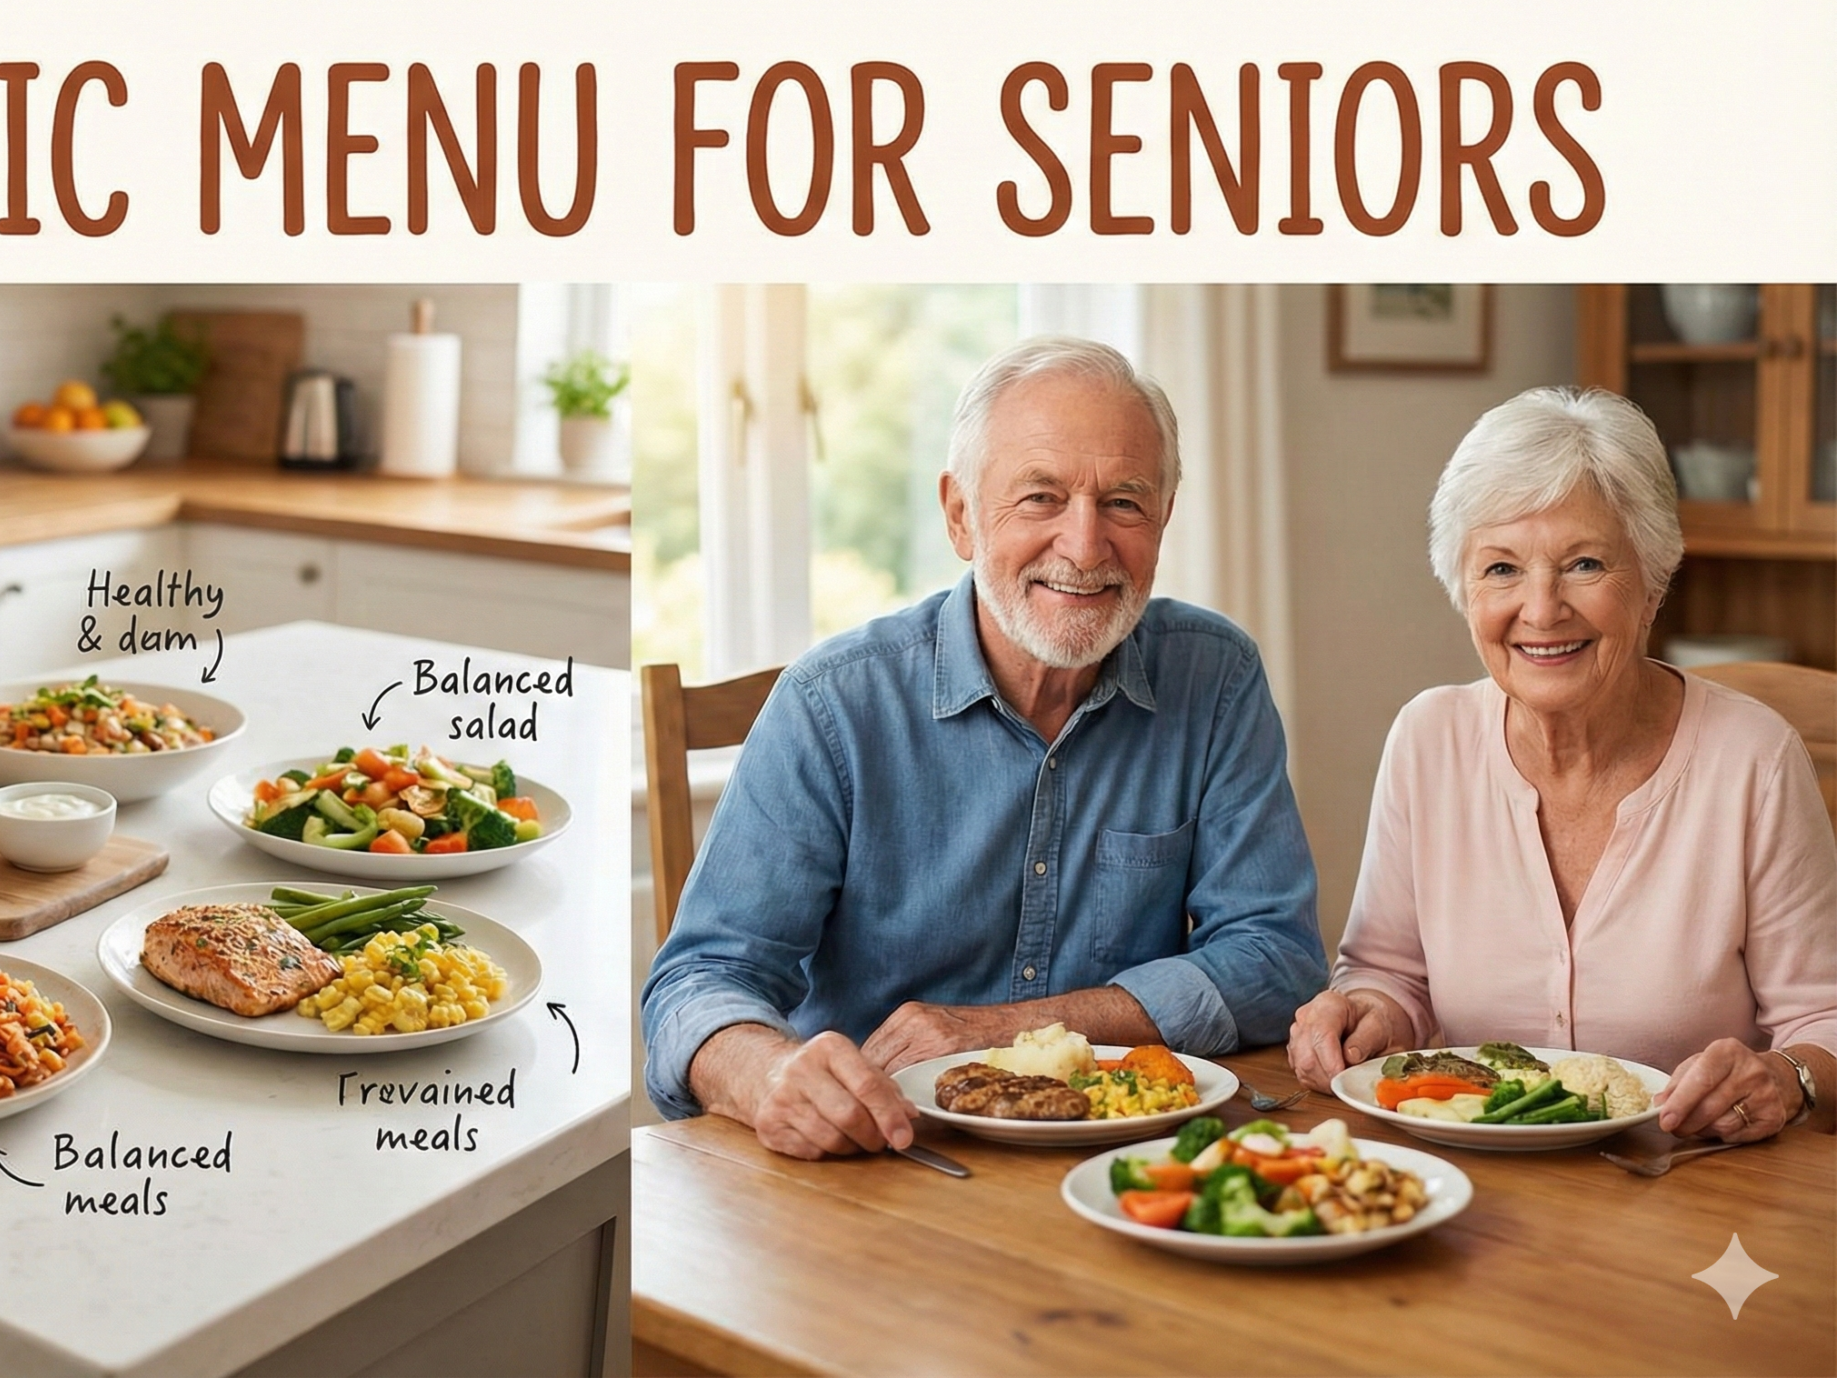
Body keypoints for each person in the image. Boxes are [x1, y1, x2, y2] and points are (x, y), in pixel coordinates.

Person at [640, 335, 1326, 1160]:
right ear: (961, 515)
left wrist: (1006, 1030)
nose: (1084, 545)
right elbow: (699, 981)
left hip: (1124, 1159)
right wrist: (769, 1075)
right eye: (1040, 497)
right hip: (880, 1163)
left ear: (1165, 517)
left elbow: (1276, 959)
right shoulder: (832, 704)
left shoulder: (1215, 676)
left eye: (1125, 503)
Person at [1288, 386, 1837, 1141]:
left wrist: (1787, 1076)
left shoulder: (1754, 760)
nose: (1541, 610)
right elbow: (1391, 976)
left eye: (1583, 563)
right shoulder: (1428, 738)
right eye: (1502, 570)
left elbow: (1824, 1017)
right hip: (1472, 1184)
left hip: (1689, 1179)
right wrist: (1367, 1014)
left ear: (1653, 581)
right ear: (1463, 590)